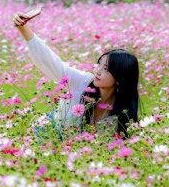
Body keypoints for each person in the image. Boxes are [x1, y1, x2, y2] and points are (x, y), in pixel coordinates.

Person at [12, 9, 140, 139]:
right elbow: (52, 62)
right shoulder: (83, 81)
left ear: (120, 78)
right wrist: (24, 29)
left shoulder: (123, 113)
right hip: (51, 131)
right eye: (99, 64)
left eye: (106, 69)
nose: (97, 71)